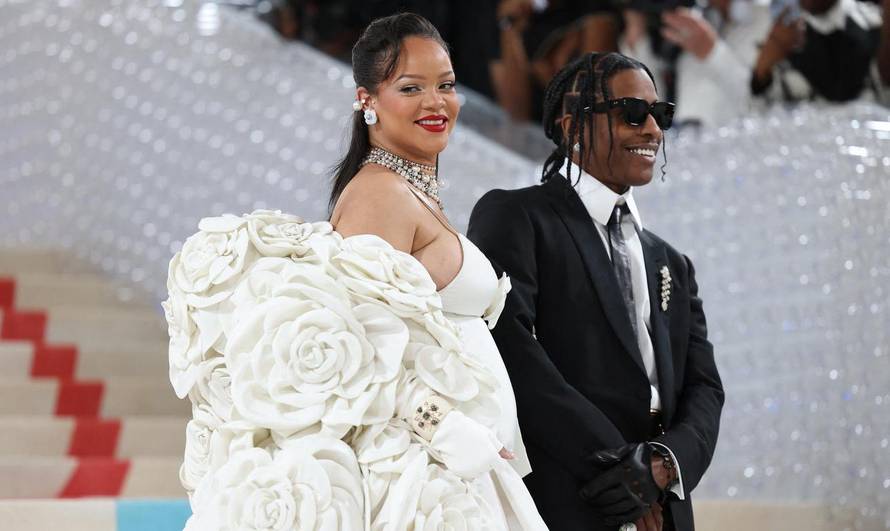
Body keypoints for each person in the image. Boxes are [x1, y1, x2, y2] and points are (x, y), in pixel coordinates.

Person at [468, 52, 724, 530]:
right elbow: (511, 355)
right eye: (632, 112)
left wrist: (662, 467)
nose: (651, 129)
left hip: (662, 505)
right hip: (569, 495)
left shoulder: (672, 262)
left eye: (660, 114)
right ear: (571, 125)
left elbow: (704, 389)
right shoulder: (516, 217)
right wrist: (620, 470)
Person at [329, 13, 548, 530]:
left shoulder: (411, 193)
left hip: (463, 466)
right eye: (412, 87)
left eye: (446, 85)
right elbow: (359, 344)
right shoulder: (379, 194)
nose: (436, 102)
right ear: (367, 100)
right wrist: (449, 430)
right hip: (427, 477)